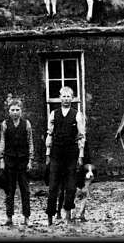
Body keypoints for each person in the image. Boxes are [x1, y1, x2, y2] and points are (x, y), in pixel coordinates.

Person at [45, 86, 86, 226]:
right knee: (53, 185)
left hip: (71, 152)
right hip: (56, 152)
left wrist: (80, 154)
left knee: (70, 186)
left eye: (69, 96)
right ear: (60, 97)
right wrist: (48, 153)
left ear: (72, 98)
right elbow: (49, 134)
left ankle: (68, 214)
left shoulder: (77, 114)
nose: (66, 99)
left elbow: (81, 136)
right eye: (64, 96)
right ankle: (50, 216)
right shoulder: (53, 114)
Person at [0, 94, 34, 226]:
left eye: (17, 110)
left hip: (23, 161)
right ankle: (9, 217)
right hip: (9, 160)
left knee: (25, 190)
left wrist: (30, 159)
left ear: (21, 111)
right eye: (12, 110)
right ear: (9, 111)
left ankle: (27, 217)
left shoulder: (26, 124)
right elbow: (2, 141)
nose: (15, 112)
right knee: (10, 189)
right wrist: (1, 158)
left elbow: (30, 141)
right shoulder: (5, 124)